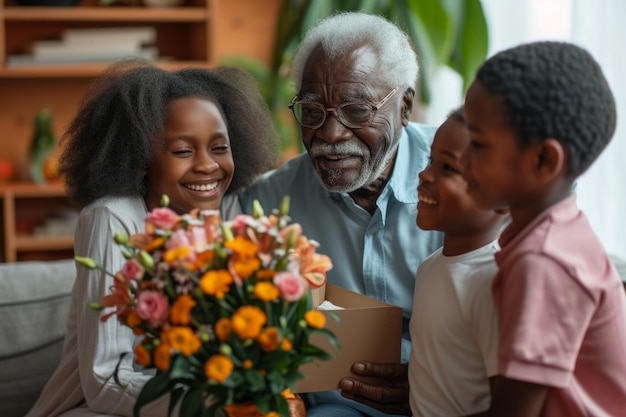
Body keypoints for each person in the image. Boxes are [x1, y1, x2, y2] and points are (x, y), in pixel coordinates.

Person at [26, 58, 280, 417]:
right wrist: (208, 403)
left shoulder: (227, 214)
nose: (208, 165)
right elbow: (105, 380)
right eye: (183, 150)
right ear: (142, 157)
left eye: (219, 148)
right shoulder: (111, 217)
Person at [239, 12, 443, 417]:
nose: (331, 135)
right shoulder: (268, 204)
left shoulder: (463, 177)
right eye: (312, 111)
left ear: (404, 106)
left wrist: (433, 383)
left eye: (356, 111)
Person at [461, 41, 626, 416]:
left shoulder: (544, 261)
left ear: (543, 160)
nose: (463, 158)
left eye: (478, 144)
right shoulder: (554, 231)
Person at [339, 108, 507, 416]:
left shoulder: (496, 283)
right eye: (430, 161)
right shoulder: (430, 268)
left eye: (449, 168)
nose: (424, 174)